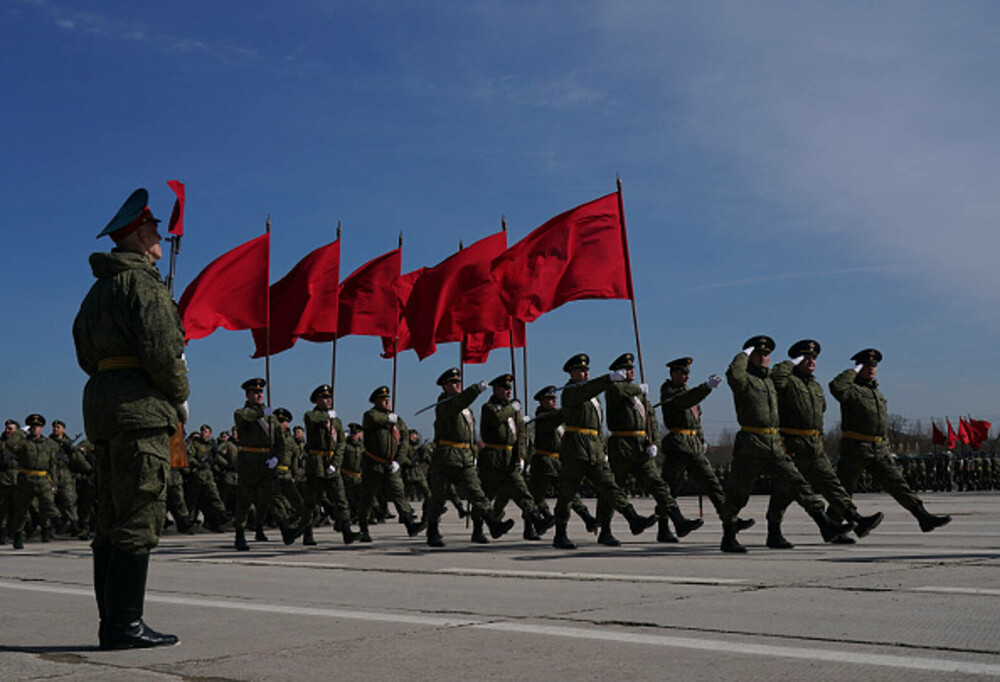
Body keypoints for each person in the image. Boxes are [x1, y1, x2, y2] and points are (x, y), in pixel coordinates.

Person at [72, 187, 188, 649]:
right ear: (140, 235)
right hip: (141, 412)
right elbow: (162, 350)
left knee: (111, 517)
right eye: (154, 228)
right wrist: (179, 393)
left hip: (105, 410)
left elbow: (85, 354)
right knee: (140, 513)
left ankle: (112, 623)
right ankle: (125, 626)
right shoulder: (142, 284)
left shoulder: (97, 291)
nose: (160, 235)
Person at [720, 336, 852, 553]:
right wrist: (743, 353)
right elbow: (733, 374)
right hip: (751, 445)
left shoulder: (770, 381)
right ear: (750, 356)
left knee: (797, 483)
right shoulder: (744, 380)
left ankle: (825, 524)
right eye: (759, 353)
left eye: (767, 354)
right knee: (738, 493)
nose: (764, 357)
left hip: (774, 443)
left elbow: (782, 377)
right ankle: (728, 536)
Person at [770, 340, 884, 548]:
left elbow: (820, 410)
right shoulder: (788, 381)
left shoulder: (814, 385)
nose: (812, 361)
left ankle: (856, 518)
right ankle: (774, 531)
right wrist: (790, 362)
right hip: (793, 445)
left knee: (832, 485)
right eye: (806, 357)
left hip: (815, 445)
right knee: (785, 491)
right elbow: (775, 378)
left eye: (814, 357)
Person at [829, 349, 951, 532]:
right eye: (866, 365)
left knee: (897, 483)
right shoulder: (851, 389)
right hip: (856, 448)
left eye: (874, 366)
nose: (871, 369)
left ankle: (922, 516)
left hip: (878, 448)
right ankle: (834, 526)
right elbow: (836, 387)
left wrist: (885, 445)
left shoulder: (876, 392)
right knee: (844, 489)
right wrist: (853, 371)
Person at [552, 353, 658, 549]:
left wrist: (602, 446)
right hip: (575, 449)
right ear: (572, 373)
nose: (585, 374)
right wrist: (608, 379)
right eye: (581, 371)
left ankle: (632, 518)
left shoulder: (594, 397)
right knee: (567, 493)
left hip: (594, 449)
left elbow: (597, 426)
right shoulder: (570, 392)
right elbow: (588, 390)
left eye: (587, 370)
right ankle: (560, 534)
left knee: (610, 486)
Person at [601, 353, 702, 546]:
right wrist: (635, 388)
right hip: (621, 446)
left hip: (640, 446)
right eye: (626, 369)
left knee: (658, 484)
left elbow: (651, 421)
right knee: (615, 488)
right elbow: (619, 392)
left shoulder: (640, 395)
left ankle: (678, 520)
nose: (631, 372)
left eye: (632, 369)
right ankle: (605, 529)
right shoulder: (614, 389)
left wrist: (654, 441)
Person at [659, 357, 754, 542]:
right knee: (669, 488)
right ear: (673, 373)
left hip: (693, 445)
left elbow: (697, 421)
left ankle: (730, 519)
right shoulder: (668, 391)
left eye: (687, 373)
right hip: (678, 446)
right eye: (682, 373)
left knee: (712, 483)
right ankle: (665, 527)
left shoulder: (688, 393)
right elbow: (684, 401)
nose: (686, 376)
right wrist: (706, 387)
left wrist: (702, 440)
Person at [424, 368, 515, 547]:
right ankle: (432, 531)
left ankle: (493, 524)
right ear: (444, 387)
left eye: (459, 382)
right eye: (453, 383)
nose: (458, 384)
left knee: (476, 492)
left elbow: (471, 435)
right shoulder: (444, 405)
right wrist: (475, 389)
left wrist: (473, 453)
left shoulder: (466, 409)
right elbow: (458, 402)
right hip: (446, 458)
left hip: (464, 457)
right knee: (439, 496)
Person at [478, 374, 553, 541]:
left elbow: (520, 434)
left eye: (510, 388)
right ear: (496, 390)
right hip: (493, 458)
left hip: (510, 458)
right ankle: (478, 530)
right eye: (505, 388)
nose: (508, 391)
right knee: (486, 495)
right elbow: (497, 418)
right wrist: (513, 408)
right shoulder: (489, 408)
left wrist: (522, 457)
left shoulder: (512, 411)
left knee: (522, 491)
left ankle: (536, 520)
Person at [231, 377, 301, 550]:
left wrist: (277, 457)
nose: (259, 395)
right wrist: (264, 413)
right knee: (244, 500)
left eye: (261, 392)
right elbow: (247, 418)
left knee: (275, 496)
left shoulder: (271, 417)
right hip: (249, 462)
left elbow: (280, 441)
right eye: (255, 392)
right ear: (247, 395)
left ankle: (286, 530)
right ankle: (239, 534)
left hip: (266, 462)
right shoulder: (241, 413)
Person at [358, 386, 426, 542]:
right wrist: (387, 419)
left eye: (388, 399)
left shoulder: (397, 419)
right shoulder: (370, 415)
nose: (387, 402)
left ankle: (410, 524)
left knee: (398, 493)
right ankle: (364, 527)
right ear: (376, 402)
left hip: (391, 465)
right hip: (373, 464)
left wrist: (398, 461)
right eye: (383, 400)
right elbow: (374, 419)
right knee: (368, 497)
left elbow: (404, 439)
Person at [527, 386, 598, 533]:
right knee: (536, 495)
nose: (554, 401)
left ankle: (586, 517)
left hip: (558, 462)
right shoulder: (543, 417)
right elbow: (557, 418)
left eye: (554, 399)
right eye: (550, 399)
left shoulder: (558, 419)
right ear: (542, 402)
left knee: (568, 491)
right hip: (544, 462)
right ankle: (531, 526)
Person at [301, 384, 359, 545]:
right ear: (317, 400)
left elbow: (341, 443)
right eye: (325, 398)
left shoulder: (336, 421)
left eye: (330, 398)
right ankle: (307, 532)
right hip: (316, 464)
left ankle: (347, 531)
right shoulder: (311, 416)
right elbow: (312, 420)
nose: (329, 400)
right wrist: (327, 417)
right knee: (312, 501)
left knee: (341, 499)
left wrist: (336, 463)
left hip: (332, 464)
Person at [8, 414, 61, 548]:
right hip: (26, 478)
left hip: (43, 478)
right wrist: (20, 431)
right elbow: (10, 445)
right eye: (32, 426)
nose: (34, 429)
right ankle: (18, 535)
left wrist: (54, 482)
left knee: (48, 502)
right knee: (22, 509)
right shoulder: (23, 443)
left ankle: (57, 525)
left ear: (42, 428)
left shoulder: (49, 444)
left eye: (37, 426)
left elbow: (53, 464)